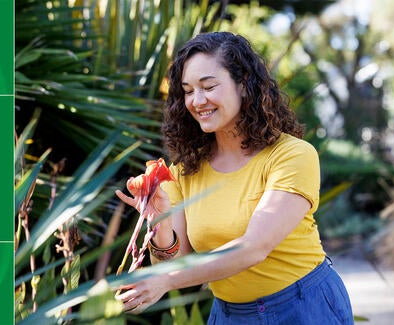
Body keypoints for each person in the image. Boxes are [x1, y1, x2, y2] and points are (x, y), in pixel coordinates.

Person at [115, 32, 354, 324]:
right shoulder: (183, 171)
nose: (197, 101)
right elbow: (174, 264)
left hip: (302, 307)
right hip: (230, 315)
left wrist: (166, 282)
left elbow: (254, 247)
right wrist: (161, 222)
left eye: (208, 86)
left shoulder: (292, 155)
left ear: (243, 84)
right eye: (188, 91)